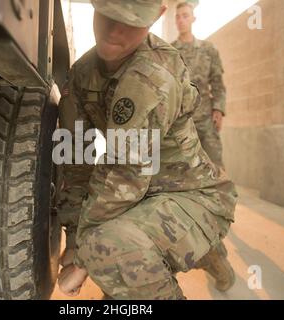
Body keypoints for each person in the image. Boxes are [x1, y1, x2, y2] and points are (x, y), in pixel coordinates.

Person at [56, 0, 237, 300]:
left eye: (132, 20)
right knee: (107, 253)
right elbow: (76, 161)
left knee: (108, 250)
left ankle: (206, 249)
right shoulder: (82, 74)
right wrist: (75, 238)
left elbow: (125, 175)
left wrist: (84, 258)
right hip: (137, 201)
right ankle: (207, 253)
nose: (115, 30)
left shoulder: (152, 75)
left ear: (157, 15)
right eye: (109, 14)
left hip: (191, 196)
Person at [171, 0, 227, 168]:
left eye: (185, 16)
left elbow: (217, 82)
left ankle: (219, 195)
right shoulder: (170, 52)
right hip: (181, 120)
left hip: (206, 119)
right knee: (182, 170)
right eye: (178, 17)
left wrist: (218, 109)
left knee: (215, 166)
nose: (181, 20)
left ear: (193, 19)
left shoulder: (208, 49)